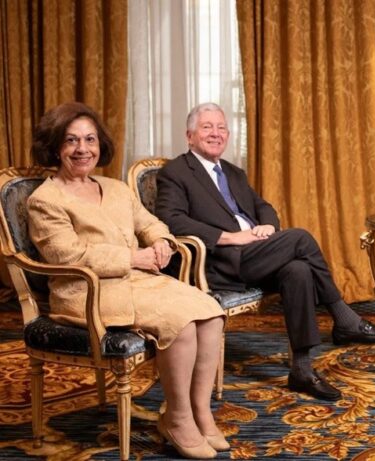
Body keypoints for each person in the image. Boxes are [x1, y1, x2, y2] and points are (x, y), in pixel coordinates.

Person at [154, 102, 375, 402]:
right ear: (189, 136)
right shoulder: (175, 172)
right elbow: (171, 219)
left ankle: (302, 370)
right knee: (301, 238)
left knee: (298, 270)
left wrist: (267, 226)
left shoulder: (233, 172)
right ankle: (343, 318)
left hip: (255, 253)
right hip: (220, 262)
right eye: (207, 127)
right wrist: (230, 237)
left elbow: (263, 206)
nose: (216, 133)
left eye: (221, 127)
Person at [27, 102, 228, 459]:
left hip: (135, 280)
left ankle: (200, 412)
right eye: (71, 140)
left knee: (211, 312)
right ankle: (178, 418)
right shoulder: (45, 199)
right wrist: (134, 258)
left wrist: (161, 242)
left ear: (100, 144)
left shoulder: (116, 188)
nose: (82, 149)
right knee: (179, 322)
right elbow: (67, 255)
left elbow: (150, 223)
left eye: (90, 139)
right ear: (56, 147)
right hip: (85, 291)